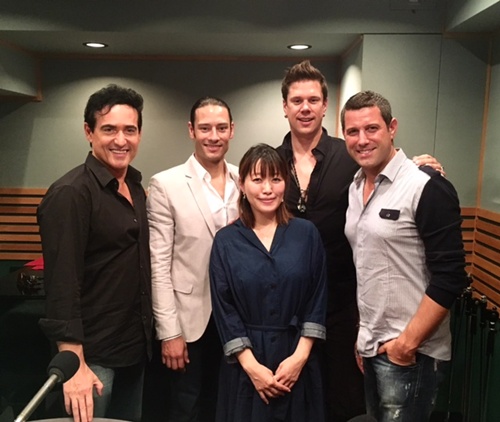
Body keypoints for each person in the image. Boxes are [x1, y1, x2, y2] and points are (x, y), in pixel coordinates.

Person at [276, 60, 444, 421]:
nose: (305, 108)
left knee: (346, 403)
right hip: (287, 307)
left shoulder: (352, 154)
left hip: (346, 307)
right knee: (292, 401)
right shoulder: (272, 163)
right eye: (296, 101)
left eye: (313, 100)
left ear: (325, 106)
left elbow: (390, 171)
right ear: (285, 107)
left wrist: (423, 167)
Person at [341, 90, 468, 421]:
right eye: (353, 131)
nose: (362, 139)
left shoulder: (426, 185)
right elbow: (367, 267)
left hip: (411, 354)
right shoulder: (355, 187)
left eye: (372, 128)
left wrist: (406, 345)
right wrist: (364, 336)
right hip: (372, 346)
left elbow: (451, 276)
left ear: (392, 127)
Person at [37, 84, 152, 422]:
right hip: (92, 357)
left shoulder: (135, 186)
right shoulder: (71, 193)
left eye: (130, 130)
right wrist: (74, 362)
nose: (121, 140)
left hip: (133, 348)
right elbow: (61, 283)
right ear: (89, 132)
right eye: (109, 129)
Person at [209, 143, 327, 422]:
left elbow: (317, 298)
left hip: (296, 360)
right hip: (246, 366)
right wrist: (252, 367)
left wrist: (299, 358)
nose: (267, 189)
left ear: (286, 183)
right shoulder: (226, 241)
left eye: (275, 179)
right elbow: (225, 309)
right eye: (257, 179)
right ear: (242, 184)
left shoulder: (306, 234)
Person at [147, 97, 239, 422]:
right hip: (189, 322)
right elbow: (159, 265)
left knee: (226, 405)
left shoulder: (245, 179)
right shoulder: (166, 184)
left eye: (221, 128)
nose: (213, 136)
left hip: (236, 316)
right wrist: (169, 332)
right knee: (187, 408)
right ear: (191, 130)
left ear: (232, 130)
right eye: (205, 128)